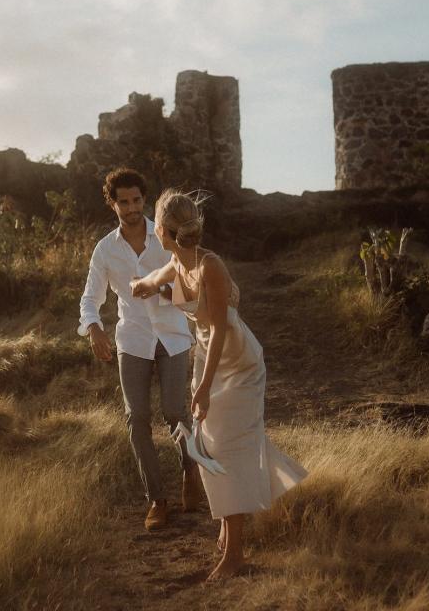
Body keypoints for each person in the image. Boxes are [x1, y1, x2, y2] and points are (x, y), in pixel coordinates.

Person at [130, 189, 308, 581]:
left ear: (161, 230)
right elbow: (149, 282)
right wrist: (137, 287)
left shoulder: (211, 265)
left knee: (229, 449)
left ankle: (236, 555)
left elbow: (222, 329)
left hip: (237, 364)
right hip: (207, 360)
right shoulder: (176, 265)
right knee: (211, 449)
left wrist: (205, 387)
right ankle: (228, 534)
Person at [78, 168, 205, 531]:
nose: (131, 208)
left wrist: (160, 291)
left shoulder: (165, 235)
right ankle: (156, 499)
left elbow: (192, 286)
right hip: (132, 339)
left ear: (144, 200)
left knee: (174, 411)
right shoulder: (105, 249)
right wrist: (94, 328)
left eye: (136, 200)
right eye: (123, 202)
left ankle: (190, 470)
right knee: (137, 420)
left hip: (173, 335)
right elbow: (91, 297)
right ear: (112, 203)